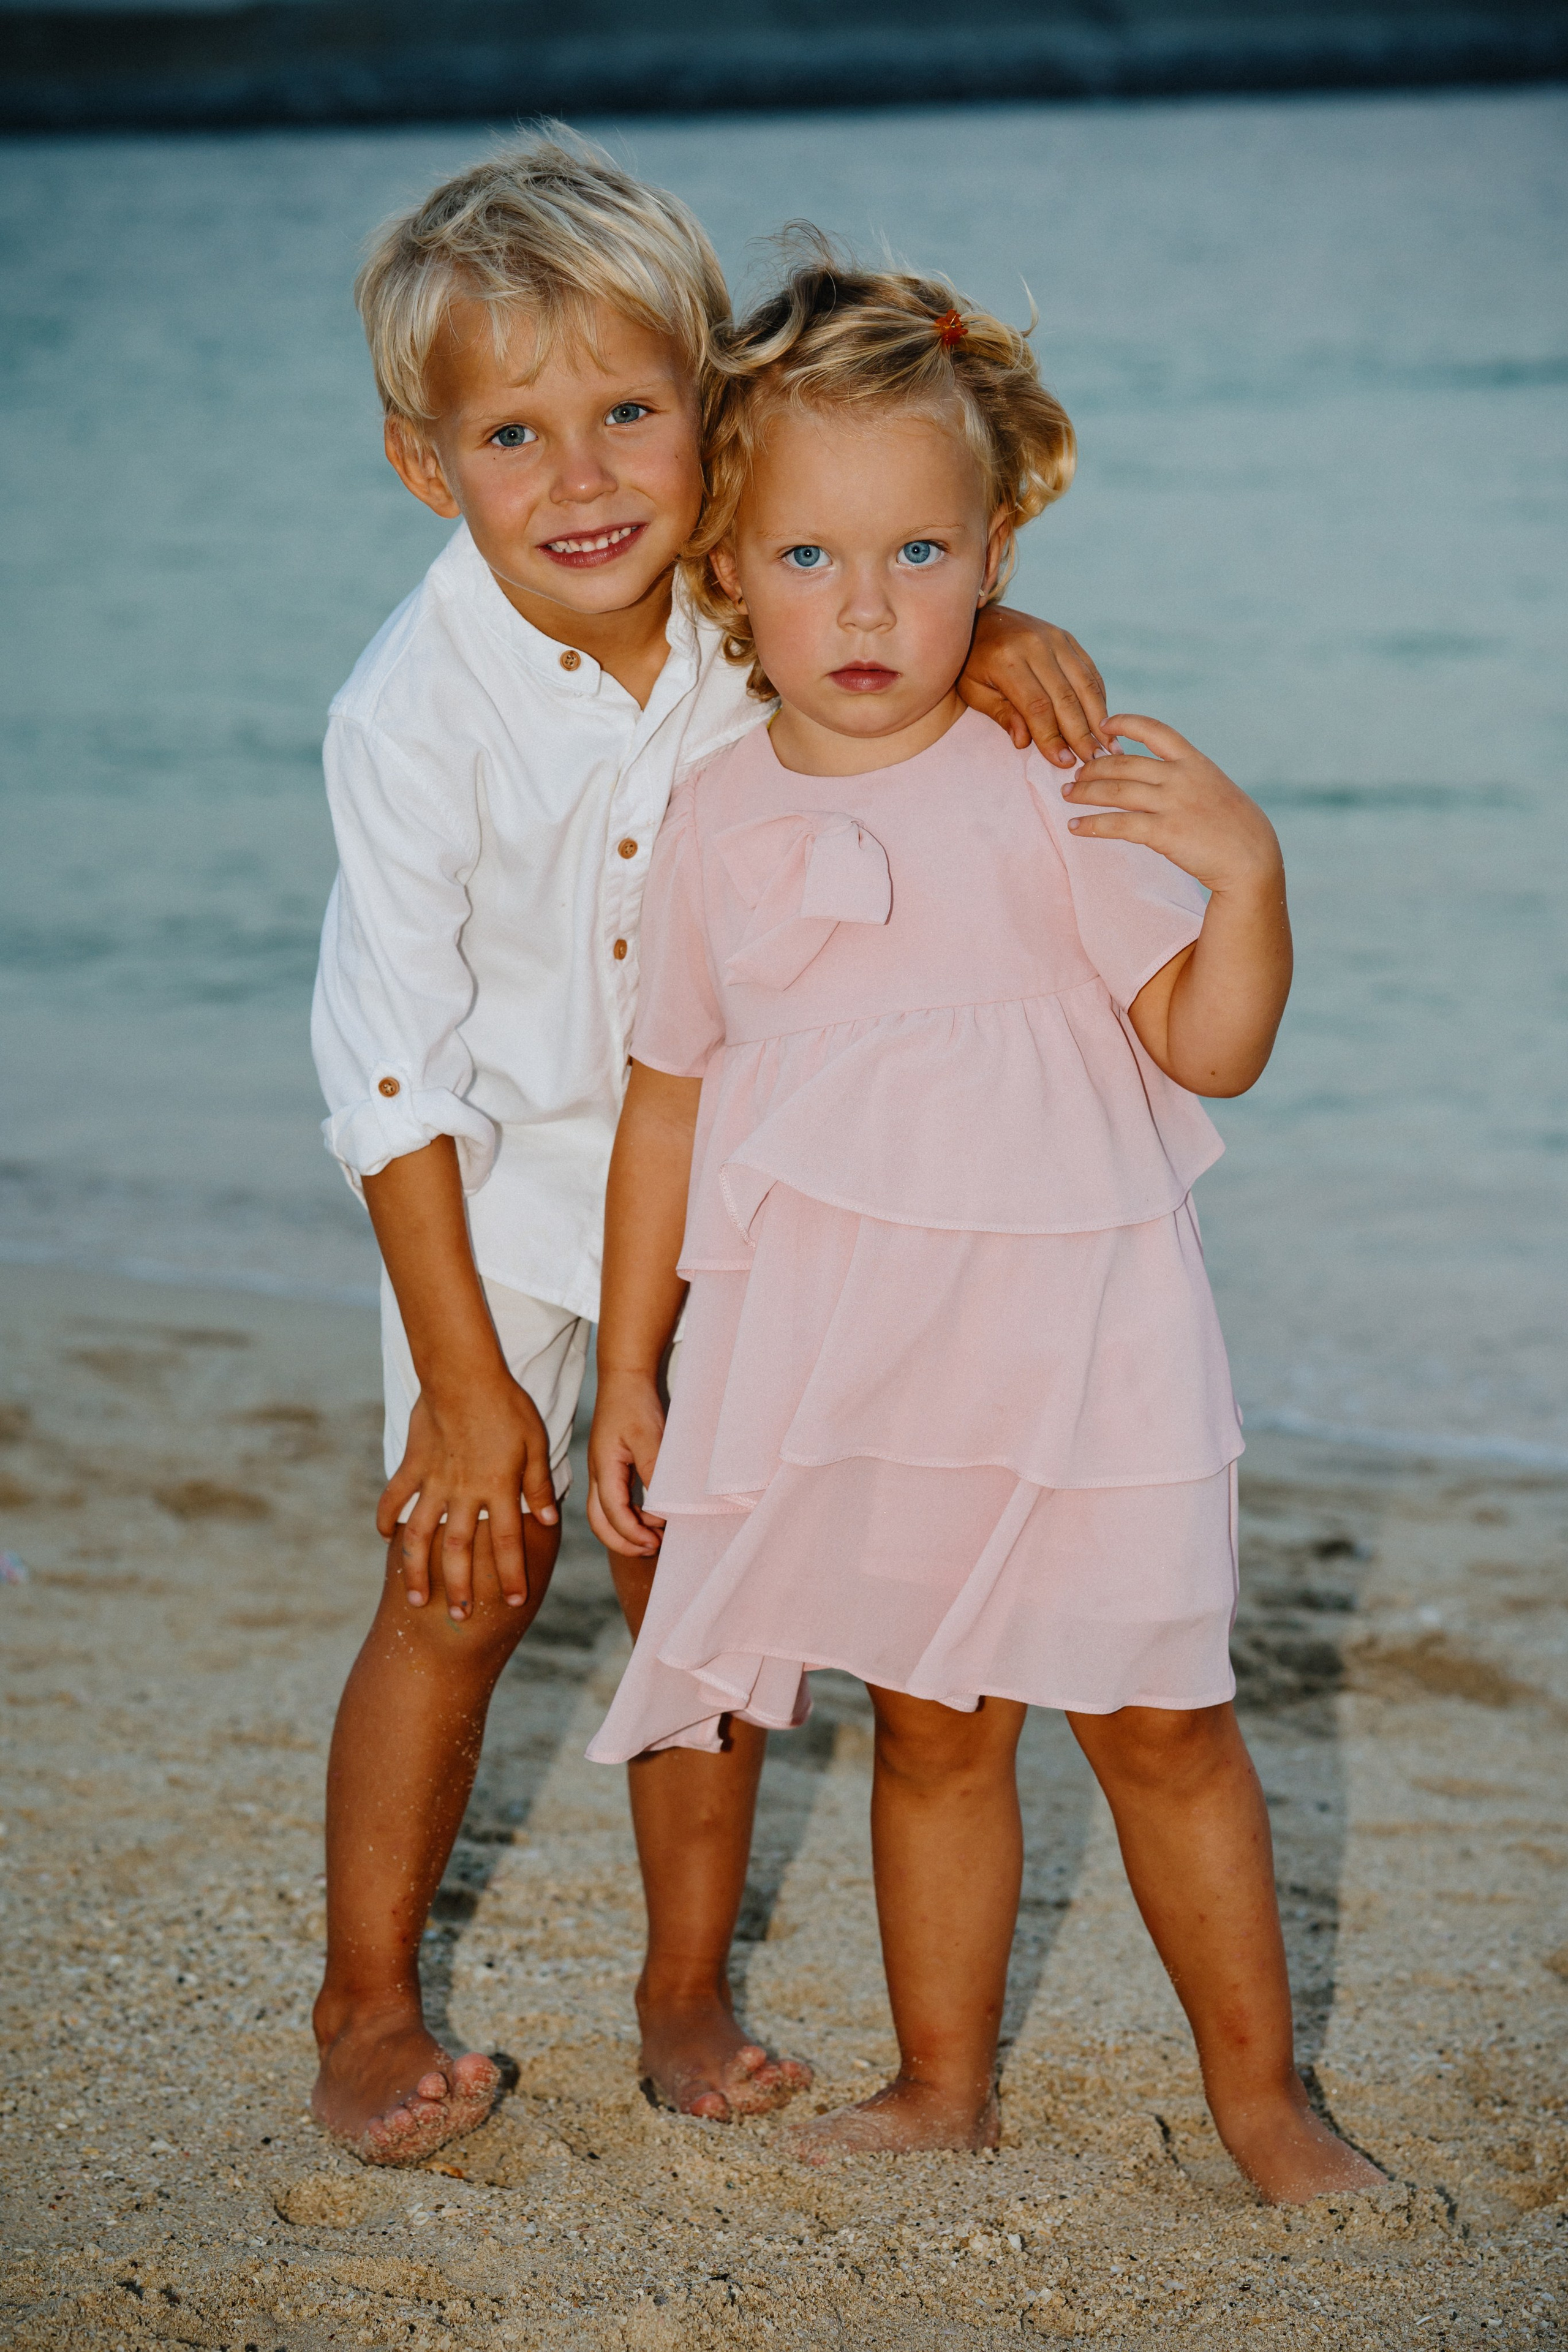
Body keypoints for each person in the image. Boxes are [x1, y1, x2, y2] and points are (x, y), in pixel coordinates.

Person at [309, 141, 1112, 2165]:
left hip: (736, 1184)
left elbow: (884, 590)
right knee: (461, 1579)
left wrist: (1004, 632)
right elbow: (388, 1068)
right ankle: (365, 2005)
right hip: (488, 1202)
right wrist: (476, 1385)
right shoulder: (409, 716)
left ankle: (687, 1987)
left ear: (709, 429)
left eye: (630, 418)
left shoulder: (734, 610)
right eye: (516, 433)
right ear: (431, 466)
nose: (583, 482)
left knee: (709, 1589)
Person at [586, 246, 1387, 2202]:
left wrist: (1254, 879)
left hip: (1088, 1360)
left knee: (1168, 1728)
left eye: (921, 558)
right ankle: (944, 2084)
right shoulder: (712, 820)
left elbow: (1208, 1044)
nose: (865, 610)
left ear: (996, 548)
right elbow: (672, 1094)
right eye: (808, 562)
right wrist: (631, 1365)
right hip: (866, 1367)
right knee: (934, 1737)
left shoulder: (1044, 779)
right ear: (727, 570)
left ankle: (1266, 2107)